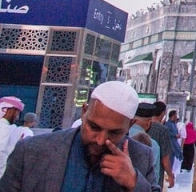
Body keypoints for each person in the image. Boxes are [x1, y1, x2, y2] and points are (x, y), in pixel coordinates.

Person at [0, 81, 158, 192]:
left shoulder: (140, 157)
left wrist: (133, 182)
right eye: (94, 127)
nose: (101, 140)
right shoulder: (32, 151)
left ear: (130, 125)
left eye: (114, 133)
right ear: (84, 112)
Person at [132, 101, 175, 189]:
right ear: (148, 123)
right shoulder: (153, 145)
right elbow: (155, 176)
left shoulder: (121, 137)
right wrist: (170, 175)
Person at [0, 96, 25, 179]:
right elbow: (1, 152)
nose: (17, 117)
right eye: (17, 113)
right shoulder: (3, 127)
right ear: (9, 111)